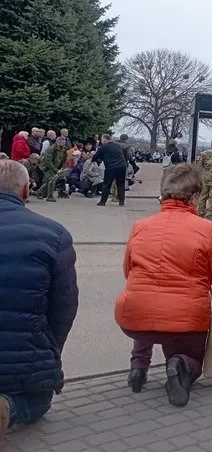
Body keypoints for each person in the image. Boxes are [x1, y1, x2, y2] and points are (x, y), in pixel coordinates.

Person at [115, 164, 212, 406]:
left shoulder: (140, 226)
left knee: (148, 304)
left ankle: (138, 368)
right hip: (185, 323)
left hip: (133, 319)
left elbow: (129, 272)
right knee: (191, 355)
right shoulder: (208, 230)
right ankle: (179, 364)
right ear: (194, 196)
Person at [0, 161, 78, 438]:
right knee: (38, 402)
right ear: (25, 191)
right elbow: (64, 309)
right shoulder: (53, 235)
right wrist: (50, 353)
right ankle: (8, 407)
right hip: (23, 361)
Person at [93, 134, 128, 207]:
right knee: (121, 184)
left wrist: (94, 160)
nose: (101, 141)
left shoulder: (103, 147)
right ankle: (121, 201)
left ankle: (103, 201)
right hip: (122, 166)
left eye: (102, 140)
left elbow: (96, 157)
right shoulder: (117, 146)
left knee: (107, 184)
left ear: (105, 140)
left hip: (111, 167)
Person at [37, 136, 68, 202]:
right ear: (58, 142)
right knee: (52, 180)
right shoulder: (51, 149)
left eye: (64, 142)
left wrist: (61, 167)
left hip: (56, 166)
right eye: (63, 142)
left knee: (49, 181)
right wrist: (55, 170)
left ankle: (39, 192)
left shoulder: (63, 149)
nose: (64, 143)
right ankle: (49, 196)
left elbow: (63, 159)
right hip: (47, 167)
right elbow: (48, 161)